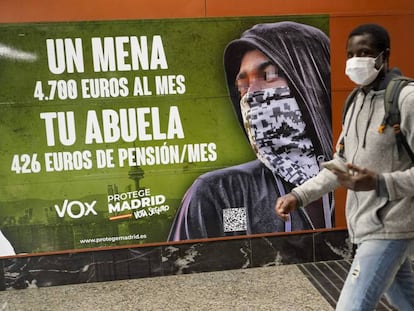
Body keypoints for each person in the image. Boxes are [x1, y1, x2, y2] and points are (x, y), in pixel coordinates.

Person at [275, 23, 414, 310]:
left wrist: (379, 183)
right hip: (365, 225)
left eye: (364, 52)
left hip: (392, 225)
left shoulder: (406, 100)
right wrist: (298, 196)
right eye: (350, 54)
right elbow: (341, 165)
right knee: (404, 299)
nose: (355, 60)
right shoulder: (354, 102)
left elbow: (373, 178)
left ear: (383, 56)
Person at [167, 21, 333, 241]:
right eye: (242, 86)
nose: (252, 95)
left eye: (269, 75)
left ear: (311, 79)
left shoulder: (360, 176)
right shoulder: (222, 193)